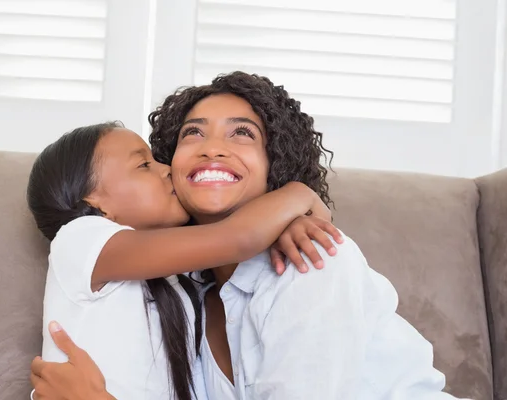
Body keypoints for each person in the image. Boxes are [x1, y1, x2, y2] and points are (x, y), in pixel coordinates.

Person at [31, 72, 466, 399]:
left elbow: (240, 238)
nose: (212, 147)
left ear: (274, 162)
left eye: (243, 133)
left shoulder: (311, 257)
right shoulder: (182, 298)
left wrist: (298, 194)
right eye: (192, 133)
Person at [27, 121, 342, 400]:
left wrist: (292, 224)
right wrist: (300, 194)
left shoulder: (179, 280)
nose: (165, 169)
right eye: (144, 165)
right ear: (95, 202)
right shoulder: (79, 239)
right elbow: (236, 238)